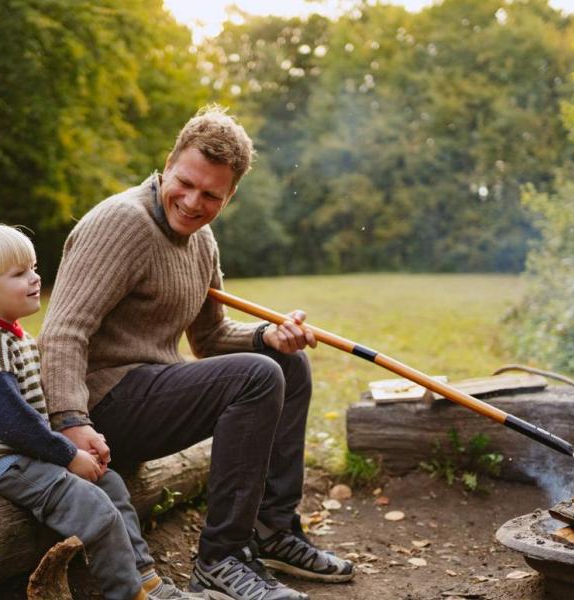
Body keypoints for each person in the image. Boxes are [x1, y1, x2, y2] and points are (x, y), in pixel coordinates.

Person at [41, 107, 355, 600]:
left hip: (151, 391)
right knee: (256, 377)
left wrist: (267, 338)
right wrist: (70, 422)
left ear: (230, 196)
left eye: (211, 195)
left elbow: (209, 339)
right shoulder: (121, 223)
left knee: (286, 364)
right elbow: (61, 332)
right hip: (101, 407)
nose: (191, 202)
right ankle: (221, 559)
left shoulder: (200, 240)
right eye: (185, 183)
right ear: (167, 164)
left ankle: (273, 530)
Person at [0, 223, 219, 600]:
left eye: (33, 268)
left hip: (20, 453)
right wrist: (68, 456)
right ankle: (126, 593)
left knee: (111, 484)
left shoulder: (8, 335)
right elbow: (15, 425)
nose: (35, 279)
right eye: (20, 274)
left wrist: (79, 438)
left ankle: (145, 578)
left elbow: (36, 407)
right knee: (93, 509)